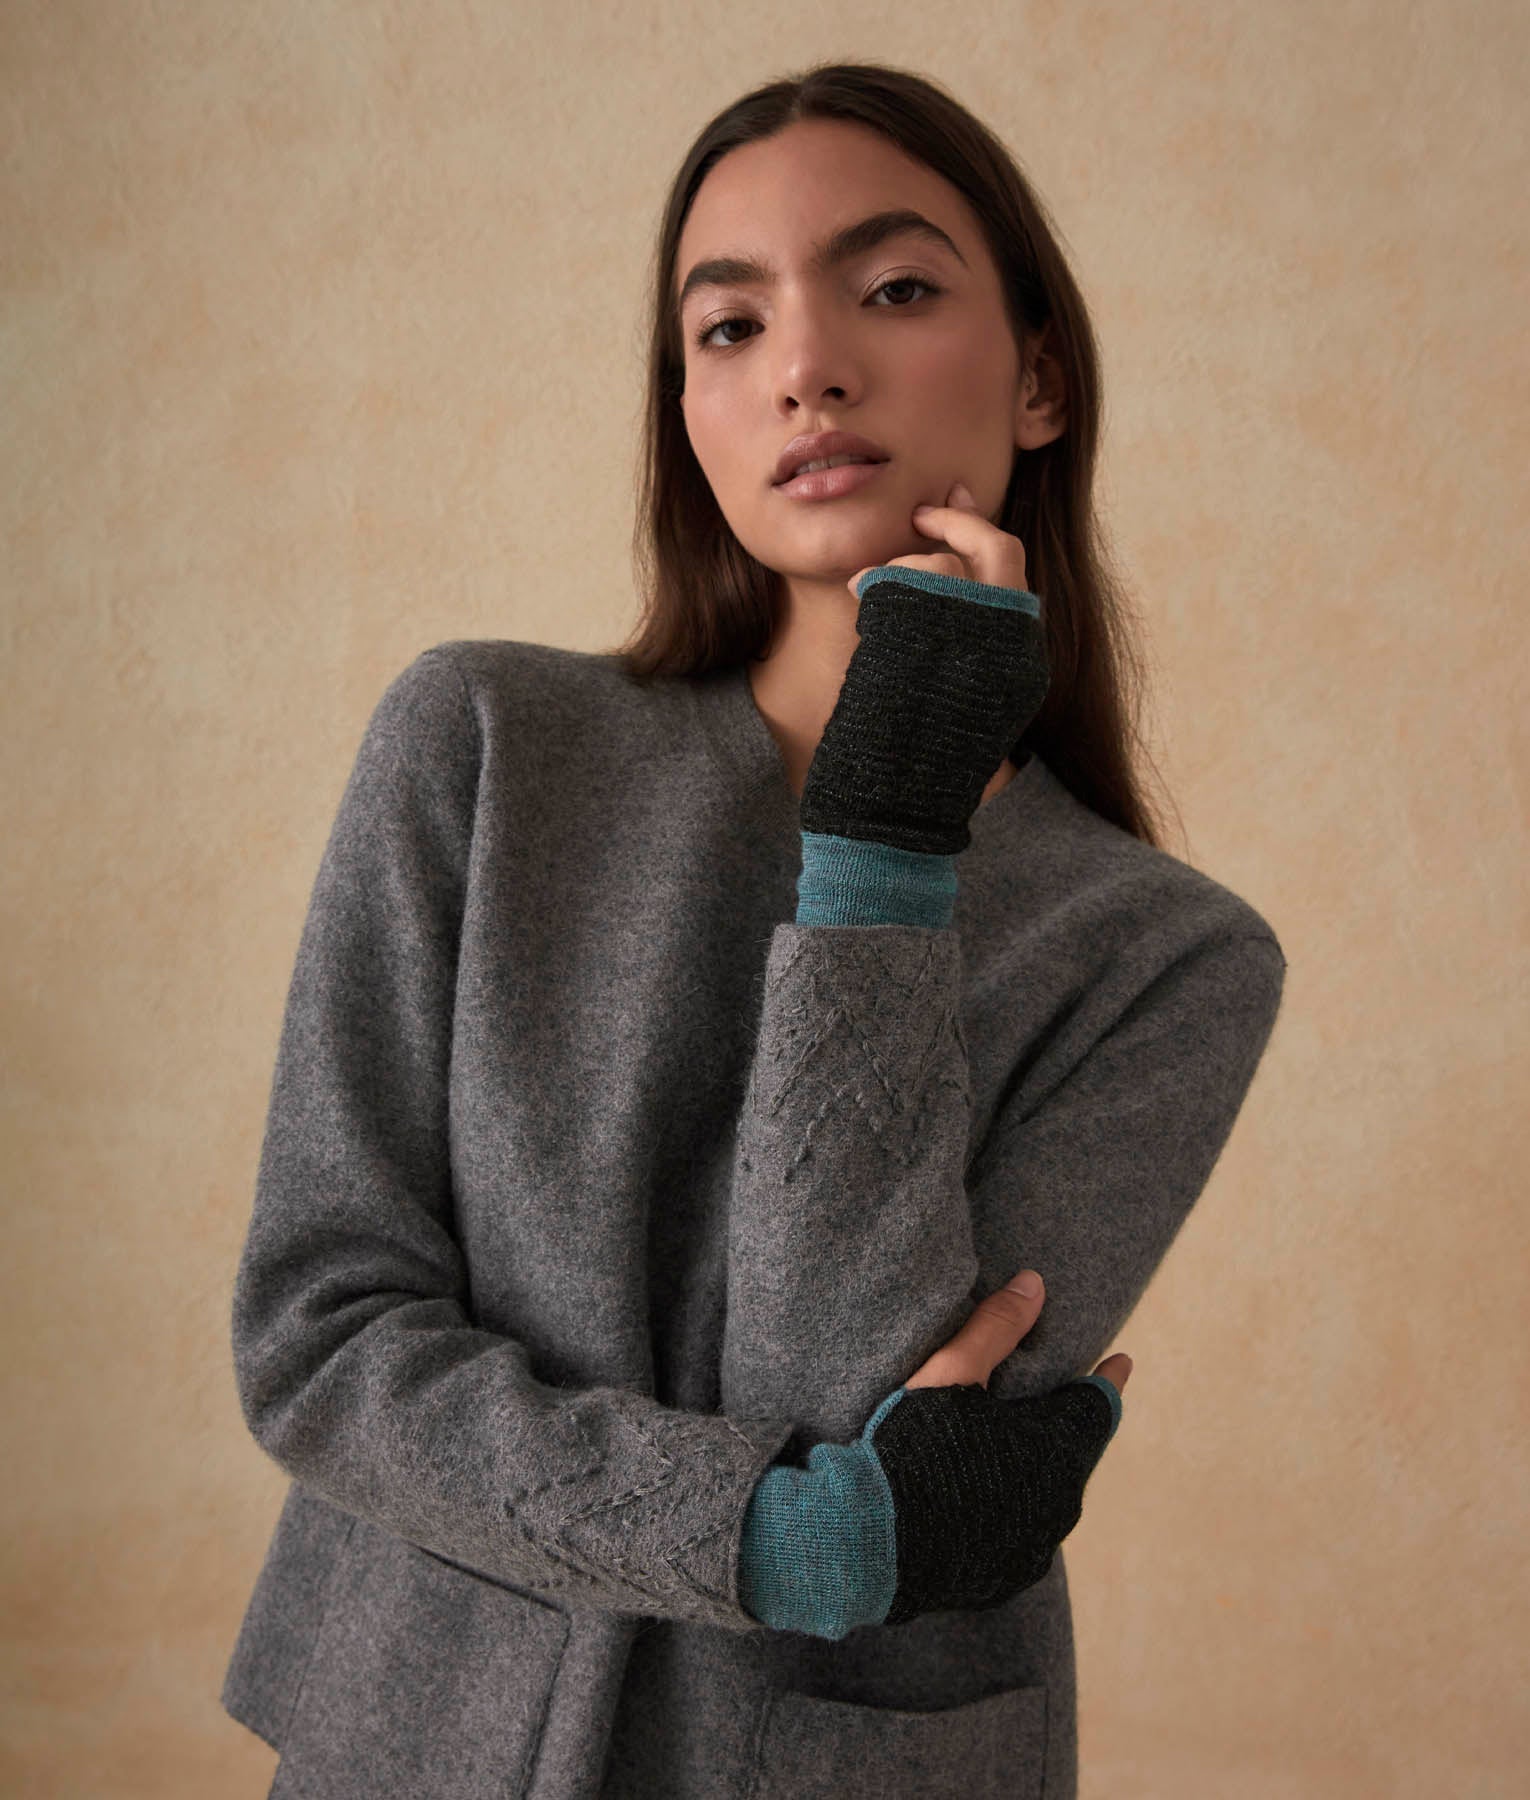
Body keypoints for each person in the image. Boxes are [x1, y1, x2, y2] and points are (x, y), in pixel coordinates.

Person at [219, 61, 1286, 1800]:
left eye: (895, 289)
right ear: (686, 409)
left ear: (1037, 377)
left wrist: (887, 826)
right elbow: (321, 1337)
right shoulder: (481, 744)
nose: (806, 366)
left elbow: (835, 1385)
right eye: (728, 326)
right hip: (417, 1741)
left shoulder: (1164, 959)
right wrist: (791, 1543)